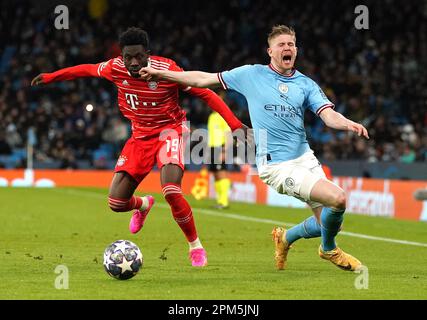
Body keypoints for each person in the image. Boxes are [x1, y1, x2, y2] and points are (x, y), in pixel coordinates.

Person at [139, 25, 370, 272]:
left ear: (296, 50)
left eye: (291, 44)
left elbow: (328, 116)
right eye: (281, 45)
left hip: (306, 159)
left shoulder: (306, 84)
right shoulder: (251, 75)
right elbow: (203, 79)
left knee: (328, 222)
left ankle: (285, 238)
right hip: (277, 166)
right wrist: (163, 75)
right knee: (338, 198)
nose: (287, 48)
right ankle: (328, 249)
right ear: (270, 51)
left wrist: (348, 123)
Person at [31, 27, 244, 267]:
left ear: (148, 54)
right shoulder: (115, 68)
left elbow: (205, 93)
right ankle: (143, 204)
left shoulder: (167, 70)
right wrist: (51, 77)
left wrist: (235, 124)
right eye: (128, 57)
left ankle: (195, 246)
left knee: (172, 191)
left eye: (139, 56)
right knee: (116, 203)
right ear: (121, 56)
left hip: (169, 131)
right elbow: (87, 69)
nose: (133, 62)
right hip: (140, 136)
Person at [207, 110, 232, 209]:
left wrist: (224, 151)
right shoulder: (211, 116)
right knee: (216, 174)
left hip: (220, 148)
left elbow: (228, 135)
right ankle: (219, 201)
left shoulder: (223, 115)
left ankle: (224, 202)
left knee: (221, 173)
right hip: (212, 148)